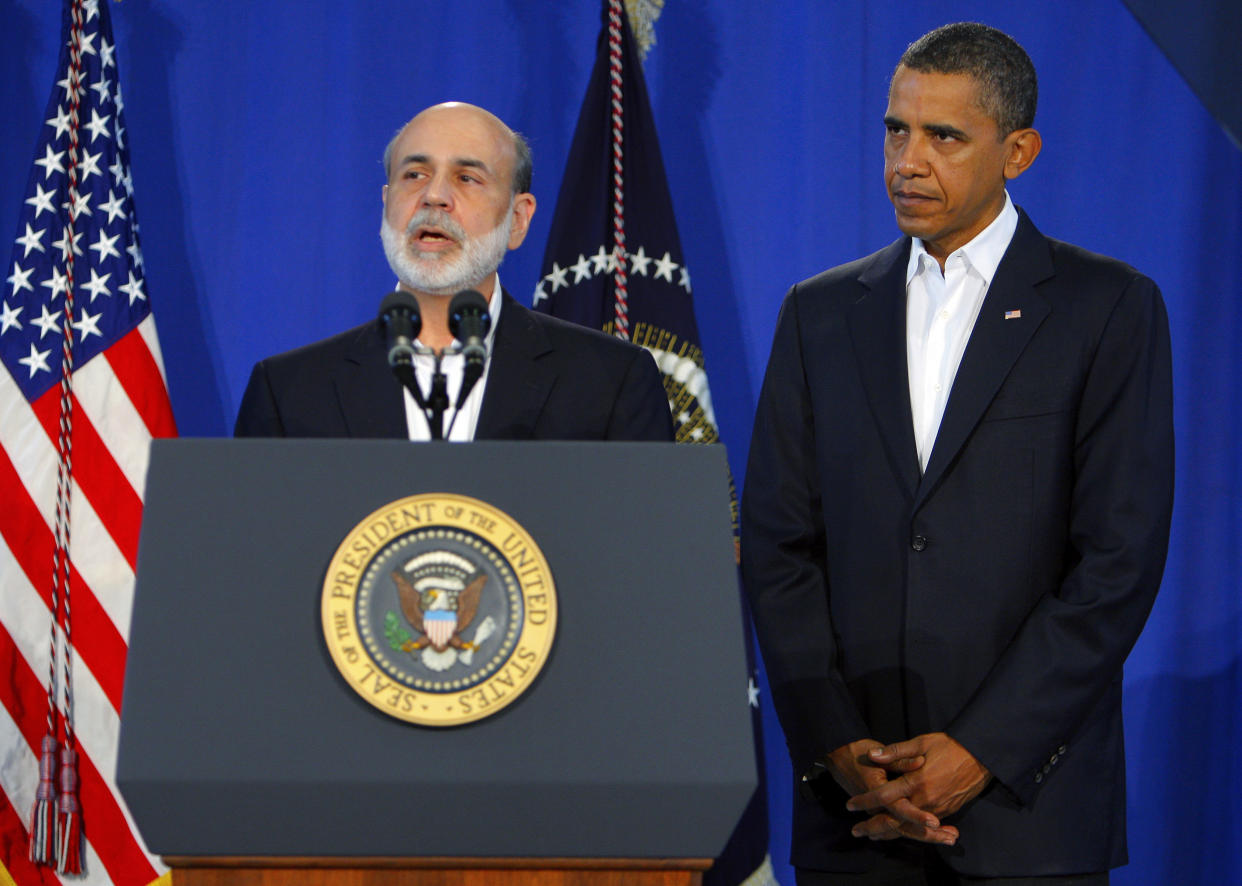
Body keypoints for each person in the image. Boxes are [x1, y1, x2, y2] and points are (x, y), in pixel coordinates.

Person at [741, 22, 1173, 886]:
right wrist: (836, 743)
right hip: (855, 813)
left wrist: (979, 750)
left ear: (1019, 150)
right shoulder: (817, 314)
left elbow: (1118, 563)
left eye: (944, 136)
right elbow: (779, 543)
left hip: (1028, 814)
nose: (909, 160)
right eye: (897, 130)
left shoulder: (1108, 308)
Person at [235, 102, 672, 442]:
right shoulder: (289, 392)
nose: (435, 196)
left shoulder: (611, 382)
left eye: (467, 178)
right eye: (415, 175)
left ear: (518, 219)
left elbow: (647, 548)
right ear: (386, 205)